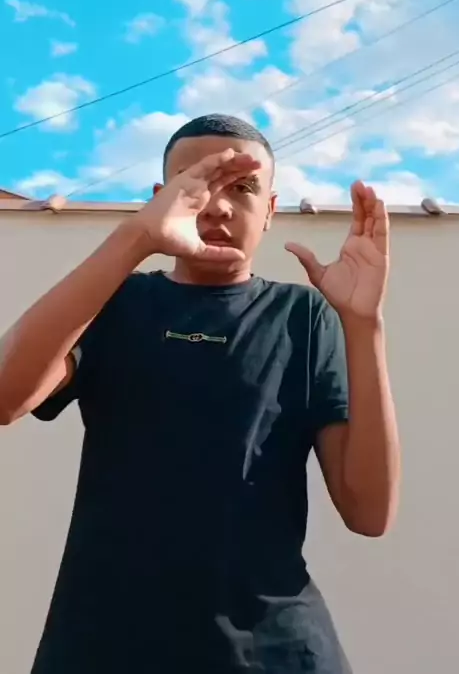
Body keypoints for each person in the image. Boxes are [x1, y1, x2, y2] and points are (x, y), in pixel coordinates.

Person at [0, 114, 400, 673]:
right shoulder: (114, 301)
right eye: (198, 183)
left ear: (270, 210)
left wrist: (363, 325)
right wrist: (136, 238)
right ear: (158, 199)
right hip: (104, 645)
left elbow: (369, 511)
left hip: (275, 652)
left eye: (243, 187)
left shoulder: (302, 316)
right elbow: (7, 396)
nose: (217, 206)